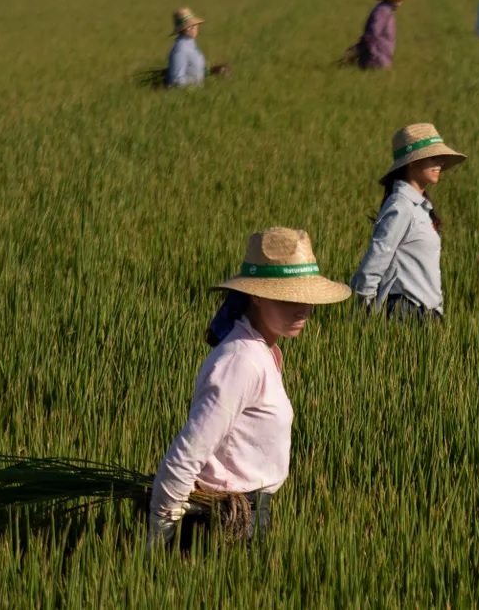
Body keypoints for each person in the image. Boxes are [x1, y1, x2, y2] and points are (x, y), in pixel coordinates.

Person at [147, 228, 351, 550]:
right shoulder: (242, 361)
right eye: (288, 298)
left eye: (307, 298)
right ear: (256, 295)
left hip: (243, 517)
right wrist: (159, 537)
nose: (303, 310)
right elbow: (186, 455)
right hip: (222, 524)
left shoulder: (261, 352)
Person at [350, 123, 467, 322]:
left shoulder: (419, 208)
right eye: (433, 157)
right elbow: (375, 260)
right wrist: (365, 312)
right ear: (412, 162)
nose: (439, 163)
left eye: (441, 158)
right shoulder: (401, 207)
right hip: (406, 313)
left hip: (426, 313)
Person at [348, 0, 409, 70]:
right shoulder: (383, 11)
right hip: (377, 58)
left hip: (381, 56)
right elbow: (373, 34)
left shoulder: (387, 10)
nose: (401, 0)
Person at [166, 8, 207, 87]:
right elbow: (176, 80)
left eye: (194, 25)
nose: (194, 27)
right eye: (189, 26)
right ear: (182, 30)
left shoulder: (192, 44)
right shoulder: (180, 49)